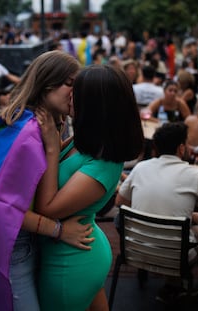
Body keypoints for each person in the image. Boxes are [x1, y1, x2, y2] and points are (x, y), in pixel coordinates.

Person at [0, 50, 96, 311]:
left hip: (21, 244)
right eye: (70, 84)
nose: (75, 93)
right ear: (47, 83)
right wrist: (61, 231)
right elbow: (4, 207)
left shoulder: (36, 124)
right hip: (15, 249)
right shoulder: (28, 136)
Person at [35, 64, 144, 310]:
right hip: (76, 250)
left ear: (94, 104)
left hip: (70, 263)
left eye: (77, 90)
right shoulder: (88, 139)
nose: (70, 94)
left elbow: (48, 208)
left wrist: (53, 148)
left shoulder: (104, 163)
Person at [115, 122, 198, 304]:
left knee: (174, 229)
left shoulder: (141, 167)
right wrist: (192, 217)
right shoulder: (196, 176)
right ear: (181, 148)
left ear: (156, 148)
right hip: (175, 257)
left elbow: (120, 202)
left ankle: (172, 287)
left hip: (135, 250)